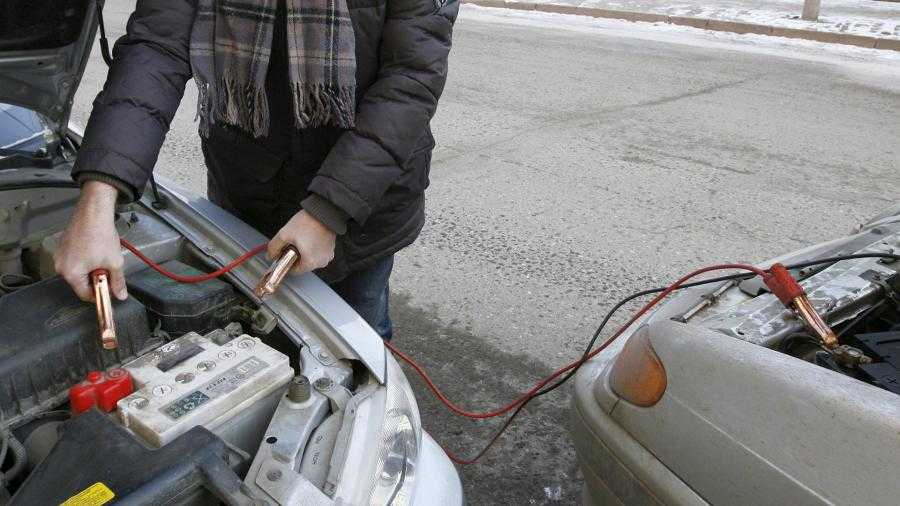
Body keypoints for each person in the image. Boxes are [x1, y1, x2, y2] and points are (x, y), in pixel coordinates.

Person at [54, 0, 459, 340]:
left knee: (357, 344)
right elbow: (157, 47)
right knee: (250, 338)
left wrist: (330, 211)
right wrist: (97, 199)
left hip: (363, 208)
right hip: (245, 190)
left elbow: (411, 79)